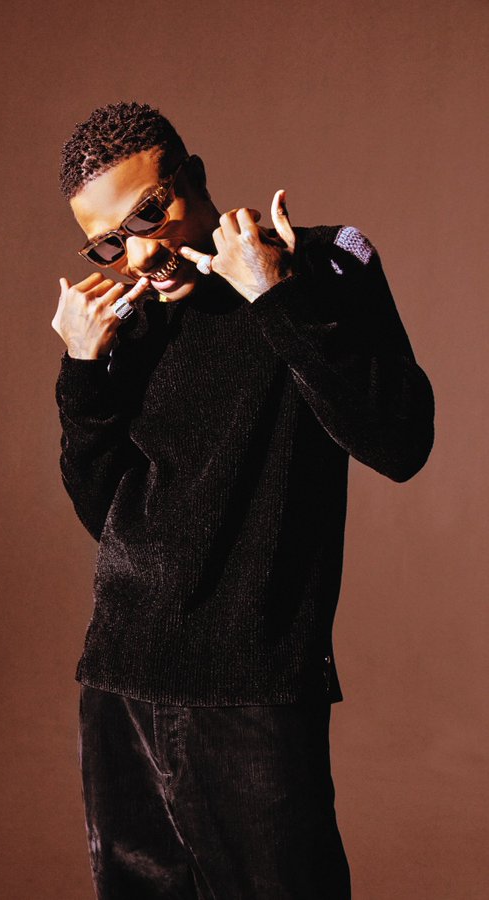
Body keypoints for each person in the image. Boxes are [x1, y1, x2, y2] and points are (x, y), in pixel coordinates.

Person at [52, 101, 434, 899]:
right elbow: (108, 518)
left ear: (193, 176)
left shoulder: (322, 262)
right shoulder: (138, 319)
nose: (141, 252)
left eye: (150, 213)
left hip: (252, 686)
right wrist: (83, 374)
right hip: (120, 680)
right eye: (111, 242)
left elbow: (398, 442)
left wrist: (275, 299)